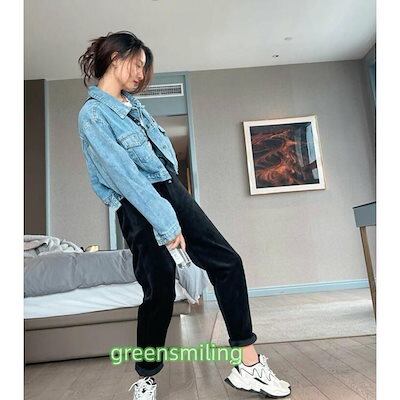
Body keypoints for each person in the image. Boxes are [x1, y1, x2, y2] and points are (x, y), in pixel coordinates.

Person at [77, 30, 291, 399]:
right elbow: (123, 176)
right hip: (137, 203)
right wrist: (164, 220)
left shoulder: (134, 107)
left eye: (144, 68)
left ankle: (249, 364)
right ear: (115, 58)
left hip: (171, 191)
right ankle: (146, 378)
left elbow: (163, 162)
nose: (141, 75)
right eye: (137, 65)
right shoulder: (93, 114)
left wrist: (175, 202)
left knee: (227, 263)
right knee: (159, 288)